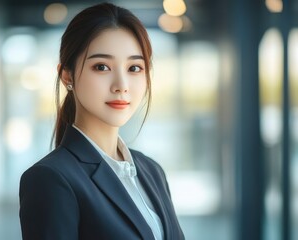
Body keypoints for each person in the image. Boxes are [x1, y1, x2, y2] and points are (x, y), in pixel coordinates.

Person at [19, 2, 185, 240]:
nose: (121, 85)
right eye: (102, 66)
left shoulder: (151, 170)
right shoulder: (50, 179)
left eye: (134, 68)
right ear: (67, 75)